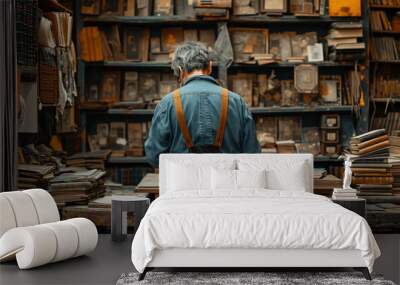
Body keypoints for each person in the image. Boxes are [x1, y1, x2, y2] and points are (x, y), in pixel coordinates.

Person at [145, 41, 260, 167]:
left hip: (182, 184)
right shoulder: (237, 102)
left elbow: (154, 156)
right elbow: (253, 154)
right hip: (227, 184)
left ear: (179, 71)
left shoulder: (167, 104)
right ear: (210, 67)